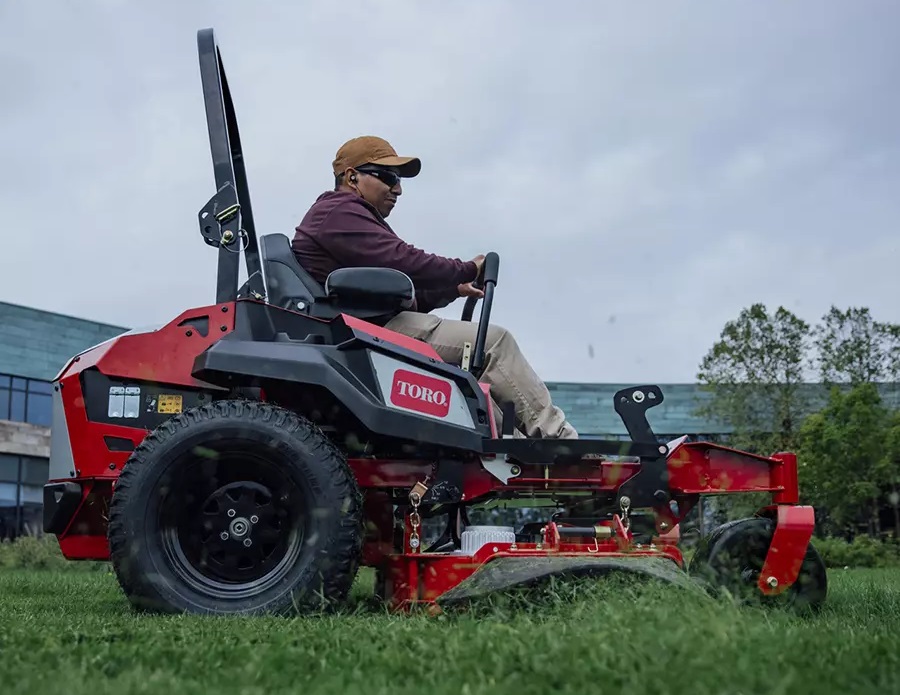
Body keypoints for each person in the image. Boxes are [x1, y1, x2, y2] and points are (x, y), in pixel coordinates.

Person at [291, 135, 578, 439]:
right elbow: (404, 260)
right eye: (389, 177)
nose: (398, 189)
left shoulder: (344, 219)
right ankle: (561, 441)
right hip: (369, 332)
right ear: (352, 177)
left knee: (476, 399)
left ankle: (525, 462)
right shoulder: (338, 211)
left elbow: (397, 289)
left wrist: (454, 288)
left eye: (399, 180)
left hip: (370, 328)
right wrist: (468, 268)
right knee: (495, 343)